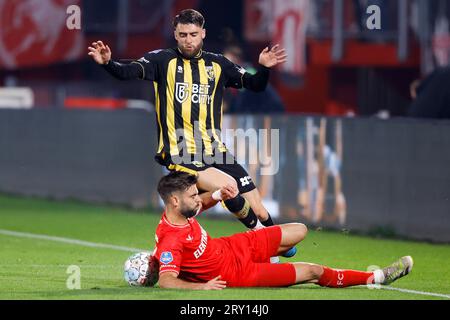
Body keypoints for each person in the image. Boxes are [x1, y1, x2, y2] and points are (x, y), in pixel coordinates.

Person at [87, 9, 295, 259]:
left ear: (203, 34)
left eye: (193, 34)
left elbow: (255, 85)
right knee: (228, 188)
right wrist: (109, 64)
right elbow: (127, 72)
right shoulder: (161, 61)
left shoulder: (218, 64)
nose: (188, 39)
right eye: (183, 34)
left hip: (215, 149)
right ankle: (266, 245)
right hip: (180, 151)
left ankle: (273, 240)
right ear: (175, 35)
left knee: (260, 209)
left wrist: (263, 69)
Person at [149, 171, 413, 290]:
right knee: (314, 271)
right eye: (193, 195)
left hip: (234, 246)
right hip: (237, 273)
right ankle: (376, 277)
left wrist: (217, 194)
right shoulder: (170, 240)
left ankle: (272, 257)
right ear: (174, 201)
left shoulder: (181, 211)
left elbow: (198, 207)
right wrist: (203, 288)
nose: (198, 198)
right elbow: (166, 281)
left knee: (300, 230)